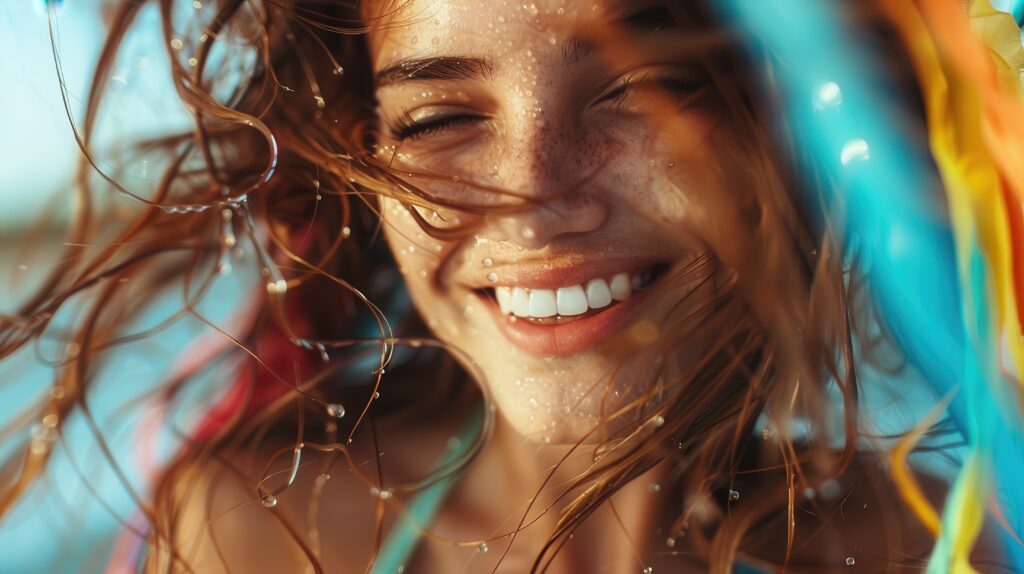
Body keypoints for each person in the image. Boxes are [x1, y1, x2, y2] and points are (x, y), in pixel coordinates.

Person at [1, 0, 1017, 572]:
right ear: (365, 175)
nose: (532, 199)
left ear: (782, 130)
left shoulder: (948, 545)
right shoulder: (259, 533)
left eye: (638, 89)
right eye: (438, 119)